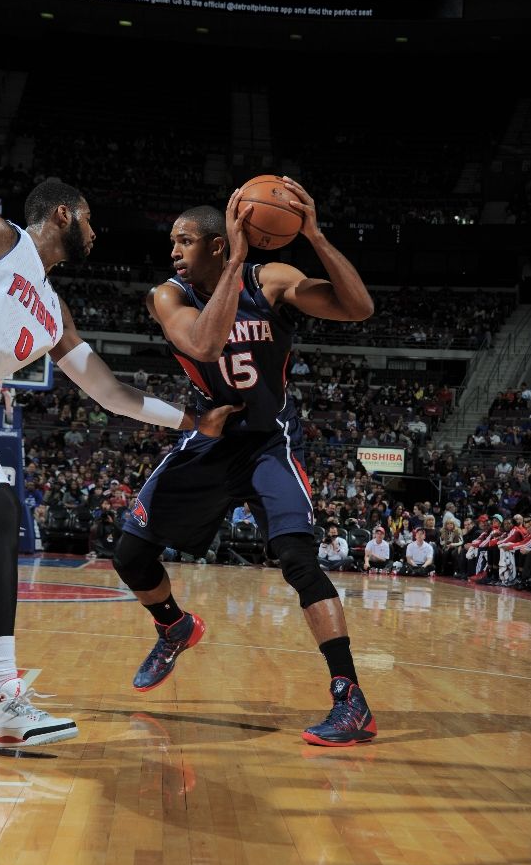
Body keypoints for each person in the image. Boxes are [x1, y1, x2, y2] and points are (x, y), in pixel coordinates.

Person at [0, 178, 237, 749]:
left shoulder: (54, 313)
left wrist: (189, 422)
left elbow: (110, 393)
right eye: (88, 219)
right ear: (62, 214)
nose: (94, 230)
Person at [113, 178, 378, 747]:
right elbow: (205, 347)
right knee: (129, 552)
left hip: (268, 442)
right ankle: (174, 626)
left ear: (215, 243)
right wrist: (236, 260)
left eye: (184, 241)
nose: (173, 252)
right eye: (172, 243)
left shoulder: (272, 280)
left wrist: (314, 233)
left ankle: (350, 698)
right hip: (211, 440)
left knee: (299, 562)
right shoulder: (169, 296)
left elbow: (359, 308)